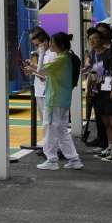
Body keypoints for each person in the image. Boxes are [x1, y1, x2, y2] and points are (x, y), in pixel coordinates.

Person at [33, 33, 83, 170]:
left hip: (53, 99)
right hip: (63, 100)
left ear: (60, 45)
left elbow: (41, 70)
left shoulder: (61, 59)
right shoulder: (67, 58)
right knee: (62, 130)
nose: (50, 44)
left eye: (52, 42)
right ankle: (74, 159)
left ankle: (51, 159)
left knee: (49, 128)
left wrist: (41, 54)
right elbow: (47, 75)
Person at [86, 28, 112, 161]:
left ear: (102, 40)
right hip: (99, 91)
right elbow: (93, 73)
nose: (92, 41)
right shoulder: (93, 54)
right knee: (106, 121)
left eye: (95, 38)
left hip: (111, 90)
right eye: (90, 39)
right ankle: (110, 147)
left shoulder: (110, 53)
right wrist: (90, 88)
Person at [22, 27, 56, 130]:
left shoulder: (52, 55)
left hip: (48, 94)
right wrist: (33, 66)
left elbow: (48, 76)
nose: (36, 48)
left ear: (45, 41)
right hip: (41, 92)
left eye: (37, 45)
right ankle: (49, 145)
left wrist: (33, 71)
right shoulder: (44, 54)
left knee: (49, 125)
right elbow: (42, 70)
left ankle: (50, 146)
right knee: (45, 124)